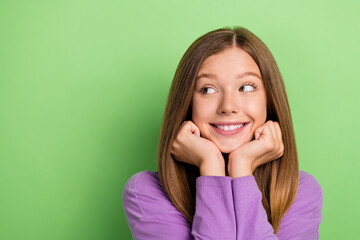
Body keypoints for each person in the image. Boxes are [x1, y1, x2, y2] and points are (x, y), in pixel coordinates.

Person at [122, 26, 323, 239]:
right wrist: (211, 166)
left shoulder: (300, 193)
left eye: (246, 87)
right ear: (187, 103)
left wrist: (242, 167)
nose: (228, 106)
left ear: (269, 99)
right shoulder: (146, 192)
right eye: (208, 89)